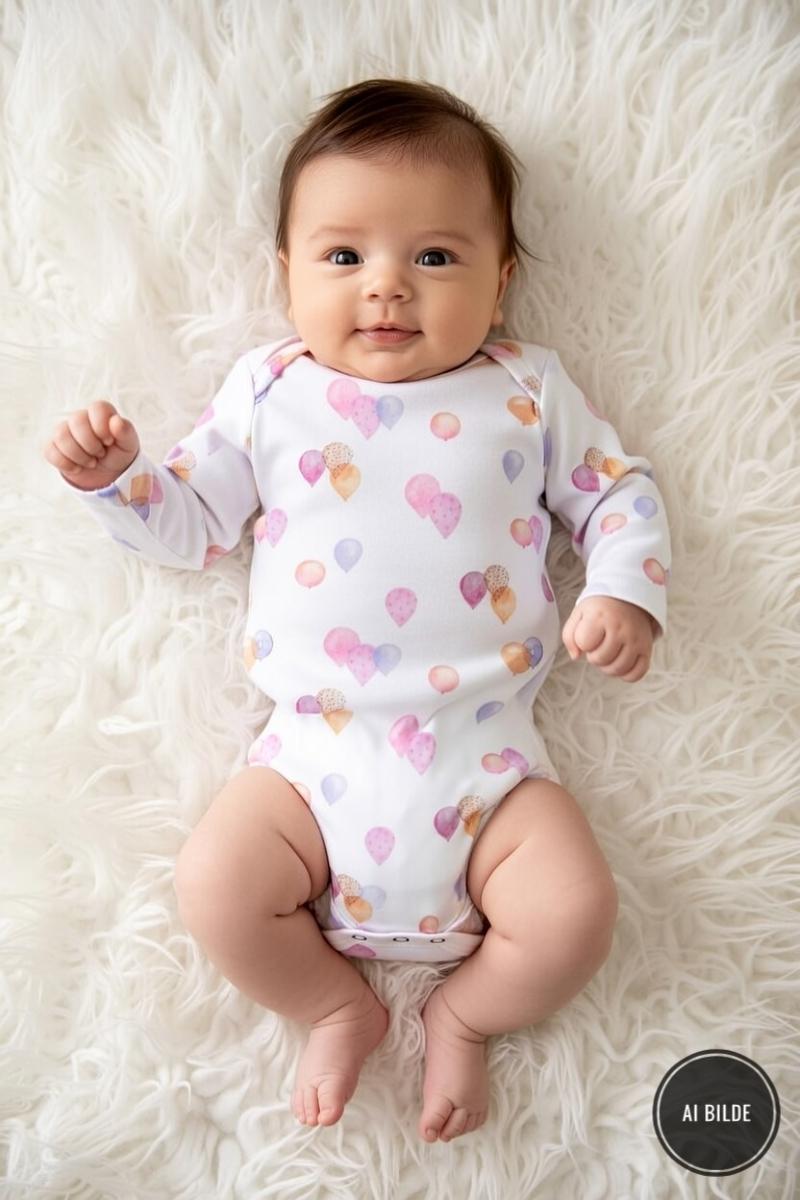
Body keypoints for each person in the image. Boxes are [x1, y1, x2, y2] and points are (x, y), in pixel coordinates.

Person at [43, 78, 671, 1144]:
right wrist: (122, 482)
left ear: (501, 282)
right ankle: (335, 1006)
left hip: (487, 767)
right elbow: (193, 524)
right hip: (307, 762)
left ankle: (465, 1015)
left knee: (574, 913)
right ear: (285, 276)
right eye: (343, 256)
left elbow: (617, 494)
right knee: (216, 883)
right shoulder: (270, 390)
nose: (387, 286)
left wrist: (621, 589)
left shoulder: (525, 389)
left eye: (434, 257)